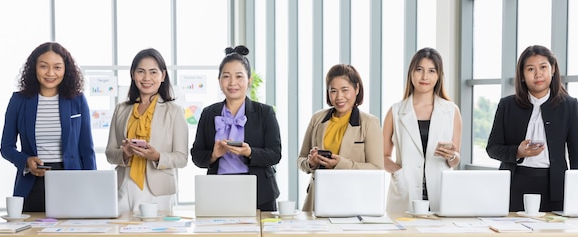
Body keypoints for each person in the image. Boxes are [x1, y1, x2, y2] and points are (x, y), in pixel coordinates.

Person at [486, 45, 578, 212]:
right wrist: (518, 152)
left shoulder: (569, 106)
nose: (538, 74)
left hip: (555, 187)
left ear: (553, 69)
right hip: (514, 185)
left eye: (543, 67)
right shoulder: (507, 105)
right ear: (523, 75)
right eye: (531, 69)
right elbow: (492, 148)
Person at [0, 42, 96, 212]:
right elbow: (6, 147)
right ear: (34, 68)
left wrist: (93, 188)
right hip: (33, 181)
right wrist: (26, 162)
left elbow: (86, 150)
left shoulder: (77, 100)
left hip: (71, 180)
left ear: (66, 70)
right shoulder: (18, 101)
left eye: (57, 67)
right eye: (44, 66)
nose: (50, 73)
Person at [191, 45, 281, 211]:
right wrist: (213, 155)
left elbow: (275, 154)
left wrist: (250, 152)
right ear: (219, 81)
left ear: (249, 80)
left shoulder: (265, 112)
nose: (232, 83)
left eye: (239, 76)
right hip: (218, 190)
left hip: (259, 192)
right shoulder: (209, 113)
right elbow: (196, 155)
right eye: (226, 76)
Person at [105, 48, 188, 213]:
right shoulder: (121, 110)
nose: (147, 78)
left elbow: (182, 158)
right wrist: (125, 153)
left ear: (163, 76)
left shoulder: (174, 111)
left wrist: (156, 156)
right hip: (125, 187)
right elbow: (109, 153)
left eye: (153, 72)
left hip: (159, 190)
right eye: (141, 72)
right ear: (133, 74)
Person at [383, 47, 462, 213]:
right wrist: (399, 174)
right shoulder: (396, 111)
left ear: (439, 75)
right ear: (411, 72)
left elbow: (455, 160)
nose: (425, 77)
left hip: (440, 193)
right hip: (405, 191)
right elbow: (382, 156)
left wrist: (452, 155)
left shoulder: (451, 111)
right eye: (419, 70)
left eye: (432, 71)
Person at [297, 64, 384, 212]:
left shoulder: (369, 123)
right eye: (333, 91)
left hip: (353, 200)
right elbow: (301, 160)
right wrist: (311, 163)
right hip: (318, 199)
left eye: (345, 90)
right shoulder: (317, 119)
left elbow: (376, 168)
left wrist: (340, 164)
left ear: (356, 89)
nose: (339, 97)